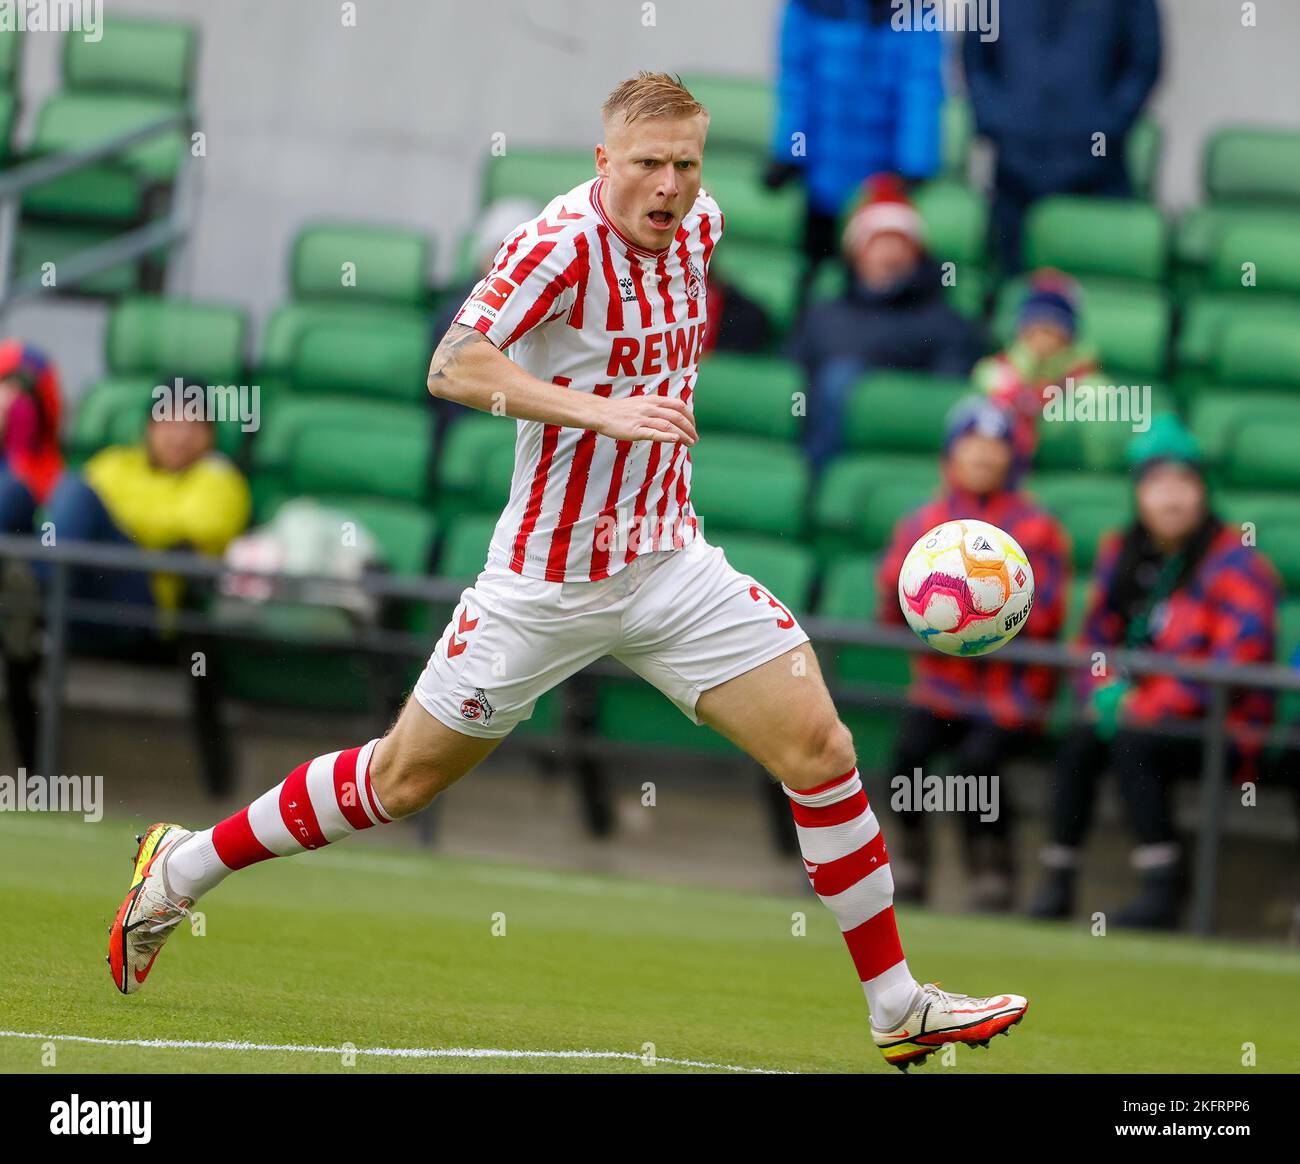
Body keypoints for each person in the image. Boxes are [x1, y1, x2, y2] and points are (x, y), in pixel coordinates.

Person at [109, 73, 1027, 1071]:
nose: (668, 185)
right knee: (401, 780)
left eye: (684, 163)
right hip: (545, 581)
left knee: (820, 747)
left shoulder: (703, 228)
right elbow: (453, 366)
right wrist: (599, 408)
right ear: (604, 163)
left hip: (670, 562)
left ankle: (895, 1006)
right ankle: (180, 867)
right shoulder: (560, 243)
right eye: (646, 164)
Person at [1029, 417, 1279, 929]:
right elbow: (1094, 640)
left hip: (1220, 730)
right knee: (1081, 739)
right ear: (1138, 494)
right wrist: (1103, 691)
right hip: (1134, 712)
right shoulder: (1120, 551)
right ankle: (1058, 878)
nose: (1171, 499)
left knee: (1132, 741)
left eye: (1184, 483)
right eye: (1156, 484)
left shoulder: (1237, 561)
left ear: (1202, 492)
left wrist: (1143, 704)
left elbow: (1237, 661)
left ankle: (1163, 889)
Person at [877, 398, 1069, 911]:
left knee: (975, 763)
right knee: (907, 758)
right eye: (972, 444)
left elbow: (1044, 615)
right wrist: (925, 602)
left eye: (995, 446)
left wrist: (984, 610)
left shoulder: (1035, 528)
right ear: (951, 455)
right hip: (941, 685)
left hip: (1013, 690)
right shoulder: (926, 524)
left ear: (1011, 457)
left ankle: (991, 869)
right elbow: (892, 603)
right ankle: (912, 864)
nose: (983, 457)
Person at [788, 173, 984, 471]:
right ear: (856, 253)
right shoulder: (822, 316)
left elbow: (943, 405)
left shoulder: (946, 324)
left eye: (900, 244)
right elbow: (789, 382)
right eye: (878, 243)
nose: (889, 255)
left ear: (917, 254)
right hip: (818, 460)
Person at [962, 0, 1161, 272]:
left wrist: (1105, 127)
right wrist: (1001, 125)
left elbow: (1143, 62)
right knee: (1015, 293)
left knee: (1094, 289)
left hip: (1096, 175)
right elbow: (975, 62)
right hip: (1015, 174)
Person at [765, 0, 944, 289]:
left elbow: (920, 87)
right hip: (820, 177)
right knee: (814, 271)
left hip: (881, 178)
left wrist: (914, 164)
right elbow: (795, 78)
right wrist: (788, 152)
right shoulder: (806, 6)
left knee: (867, 278)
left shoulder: (913, 10)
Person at [43, 411, 251, 648]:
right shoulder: (117, 462)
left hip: (147, 600)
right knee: (65, 488)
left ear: (210, 435)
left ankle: (36, 594)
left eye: (194, 427)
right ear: (150, 428)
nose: (181, 437)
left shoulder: (219, 477)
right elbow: (67, 513)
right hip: (84, 584)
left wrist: (116, 517)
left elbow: (204, 527)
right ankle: (38, 592)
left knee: (78, 498)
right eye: (171, 424)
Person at [972, 271, 1098, 464]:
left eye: (1049, 331)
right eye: (1034, 330)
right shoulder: (999, 370)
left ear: (1068, 337)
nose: (1041, 339)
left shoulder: (1083, 378)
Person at [0, 340, 63, 534]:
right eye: (8, 388)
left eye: (24, 394)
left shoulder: (49, 471)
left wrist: (18, 452)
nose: (14, 404)